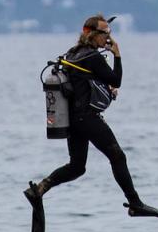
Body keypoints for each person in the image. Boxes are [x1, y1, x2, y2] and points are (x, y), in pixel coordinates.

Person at [25, 14, 144, 211]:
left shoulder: (73, 53)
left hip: (72, 120)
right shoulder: (93, 56)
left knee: (77, 167)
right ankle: (135, 202)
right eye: (105, 34)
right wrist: (117, 55)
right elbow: (116, 80)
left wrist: (106, 89)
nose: (108, 38)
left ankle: (40, 188)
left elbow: (84, 82)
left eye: (110, 33)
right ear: (91, 34)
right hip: (86, 118)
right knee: (117, 156)